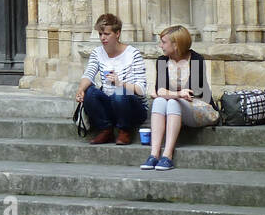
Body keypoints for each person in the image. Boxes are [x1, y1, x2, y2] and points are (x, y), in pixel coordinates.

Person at [142, 24, 218, 171]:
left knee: (171, 102)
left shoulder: (196, 59)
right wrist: (173, 93)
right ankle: (154, 154)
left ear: (176, 44)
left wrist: (168, 93)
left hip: (202, 108)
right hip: (177, 106)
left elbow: (190, 93)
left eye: (164, 42)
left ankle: (167, 155)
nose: (160, 45)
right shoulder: (162, 60)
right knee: (160, 101)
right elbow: (161, 91)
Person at [74, 13, 147, 145]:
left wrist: (120, 83)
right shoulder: (97, 53)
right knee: (89, 91)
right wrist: (81, 89)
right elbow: (88, 74)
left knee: (119, 93)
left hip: (133, 107)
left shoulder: (133, 54)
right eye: (100, 34)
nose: (103, 38)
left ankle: (124, 131)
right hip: (111, 104)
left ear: (117, 33)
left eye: (107, 34)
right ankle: (105, 130)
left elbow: (141, 90)